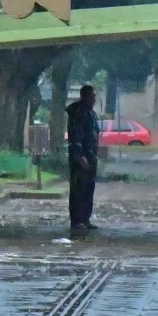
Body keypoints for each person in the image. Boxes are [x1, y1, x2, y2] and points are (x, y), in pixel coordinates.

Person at [66, 85, 100, 234]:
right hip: (80, 156)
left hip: (91, 155)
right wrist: (79, 156)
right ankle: (77, 220)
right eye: (91, 96)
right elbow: (75, 135)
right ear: (84, 96)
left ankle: (85, 218)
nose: (94, 99)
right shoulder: (77, 113)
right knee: (78, 188)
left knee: (88, 189)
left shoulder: (91, 114)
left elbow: (94, 133)